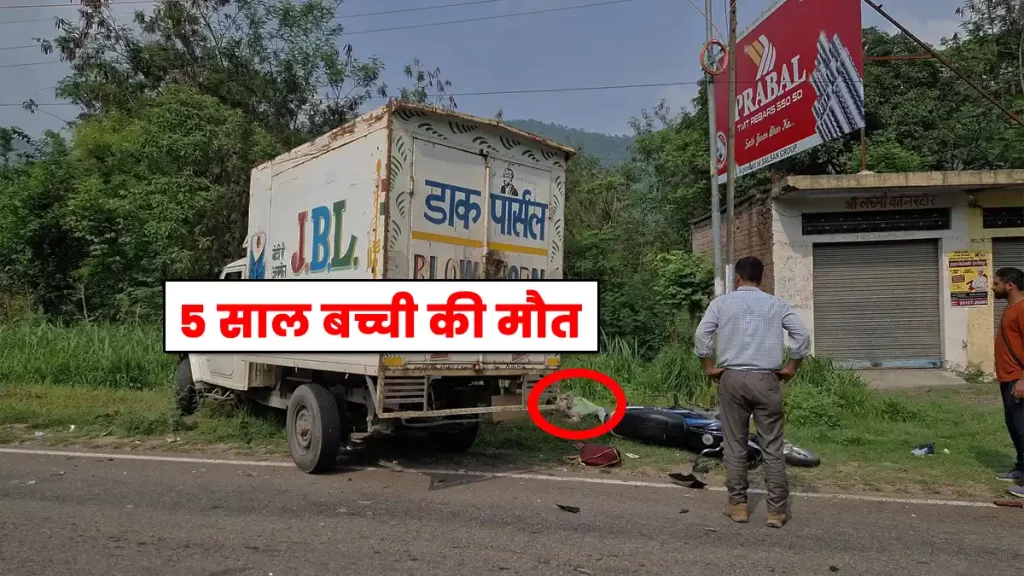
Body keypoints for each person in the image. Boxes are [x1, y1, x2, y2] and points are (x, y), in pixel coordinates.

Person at [694, 256, 811, 527]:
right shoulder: (776, 304)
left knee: (735, 443)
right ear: (763, 277)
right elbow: (802, 336)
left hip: (731, 378)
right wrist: (792, 366)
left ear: (737, 278)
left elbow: (702, 336)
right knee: (772, 445)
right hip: (766, 378)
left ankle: (738, 506)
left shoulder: (721, 303)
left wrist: (709, 367)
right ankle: (777, 512)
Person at [992, 266, 1024, 498]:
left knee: (1023, 429)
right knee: (1015, 427)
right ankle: (1021, 469)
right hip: (1008, 378)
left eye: (996, 284)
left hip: (1018, 379)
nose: (993, 288)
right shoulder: (1010, 309)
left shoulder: (1022, 310)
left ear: (1009, 285)